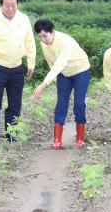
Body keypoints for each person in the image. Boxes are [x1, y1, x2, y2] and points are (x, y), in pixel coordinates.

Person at [0, 0, 36, 141]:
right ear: (1, 5)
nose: (11, 8)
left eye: (14, 5)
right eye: (7, 5)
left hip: (17, 67)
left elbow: (29, 42)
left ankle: (11, 133)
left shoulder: (24, 19)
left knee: (15, 103)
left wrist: (31, 63)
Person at [33, 19, 90, 149]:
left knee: (79, 103)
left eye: (45, 36)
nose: (42, 40)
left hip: (80, 70)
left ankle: (80, 139)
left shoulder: (65, 41)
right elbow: (51, 62)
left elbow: (60, 63)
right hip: (63, 74)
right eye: (40, 37)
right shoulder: (44, 43)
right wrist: (54, 79)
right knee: (61, 103)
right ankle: (57, 140)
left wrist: (42, 85)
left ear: (52, 32)